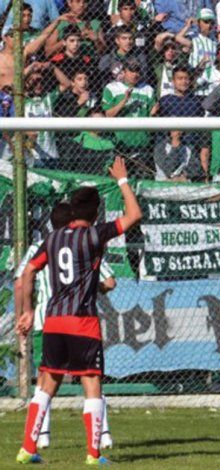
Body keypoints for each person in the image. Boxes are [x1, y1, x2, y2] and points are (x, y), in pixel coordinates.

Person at [15, 157, 142, 465]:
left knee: (47, 382)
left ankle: (28, 449)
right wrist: (122, 181)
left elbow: (28, 273)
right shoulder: (95, 235)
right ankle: (93, 454)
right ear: (96, 213)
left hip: (55, 320)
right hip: (83, 322)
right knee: (92, 383)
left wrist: (28, 311)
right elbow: (134, 215)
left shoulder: (52, 238)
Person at [13, 202, 116, 451]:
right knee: (90, 377)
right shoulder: (84, 244)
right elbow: (110, 281)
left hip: (45, 322)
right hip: (79, 319)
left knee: (45, 379)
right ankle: (102, 437)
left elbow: (21, 280)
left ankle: (40, 437)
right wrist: (92, 289)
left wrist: (22, 315)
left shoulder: (40, 246)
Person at [102, 58, 157, 177]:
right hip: (120, 145)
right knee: (116, 179)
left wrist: (155, 112)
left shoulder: (148, 89)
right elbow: (108, 114)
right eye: (131, 70)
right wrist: (124, 100)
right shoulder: (112, 88)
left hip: (142, 145)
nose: (135, 74)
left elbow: (152, 116)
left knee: (143, 180)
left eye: (137, 71)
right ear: (124, 72)